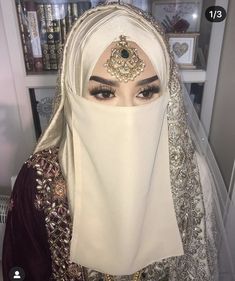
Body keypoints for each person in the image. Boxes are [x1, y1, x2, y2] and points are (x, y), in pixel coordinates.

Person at [2, 2, 235, 281]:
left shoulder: (192, 174)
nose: (128, 114)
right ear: (73, 93)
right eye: (103, 93)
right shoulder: (41, 182)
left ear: (168, 98)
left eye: (147, 92)